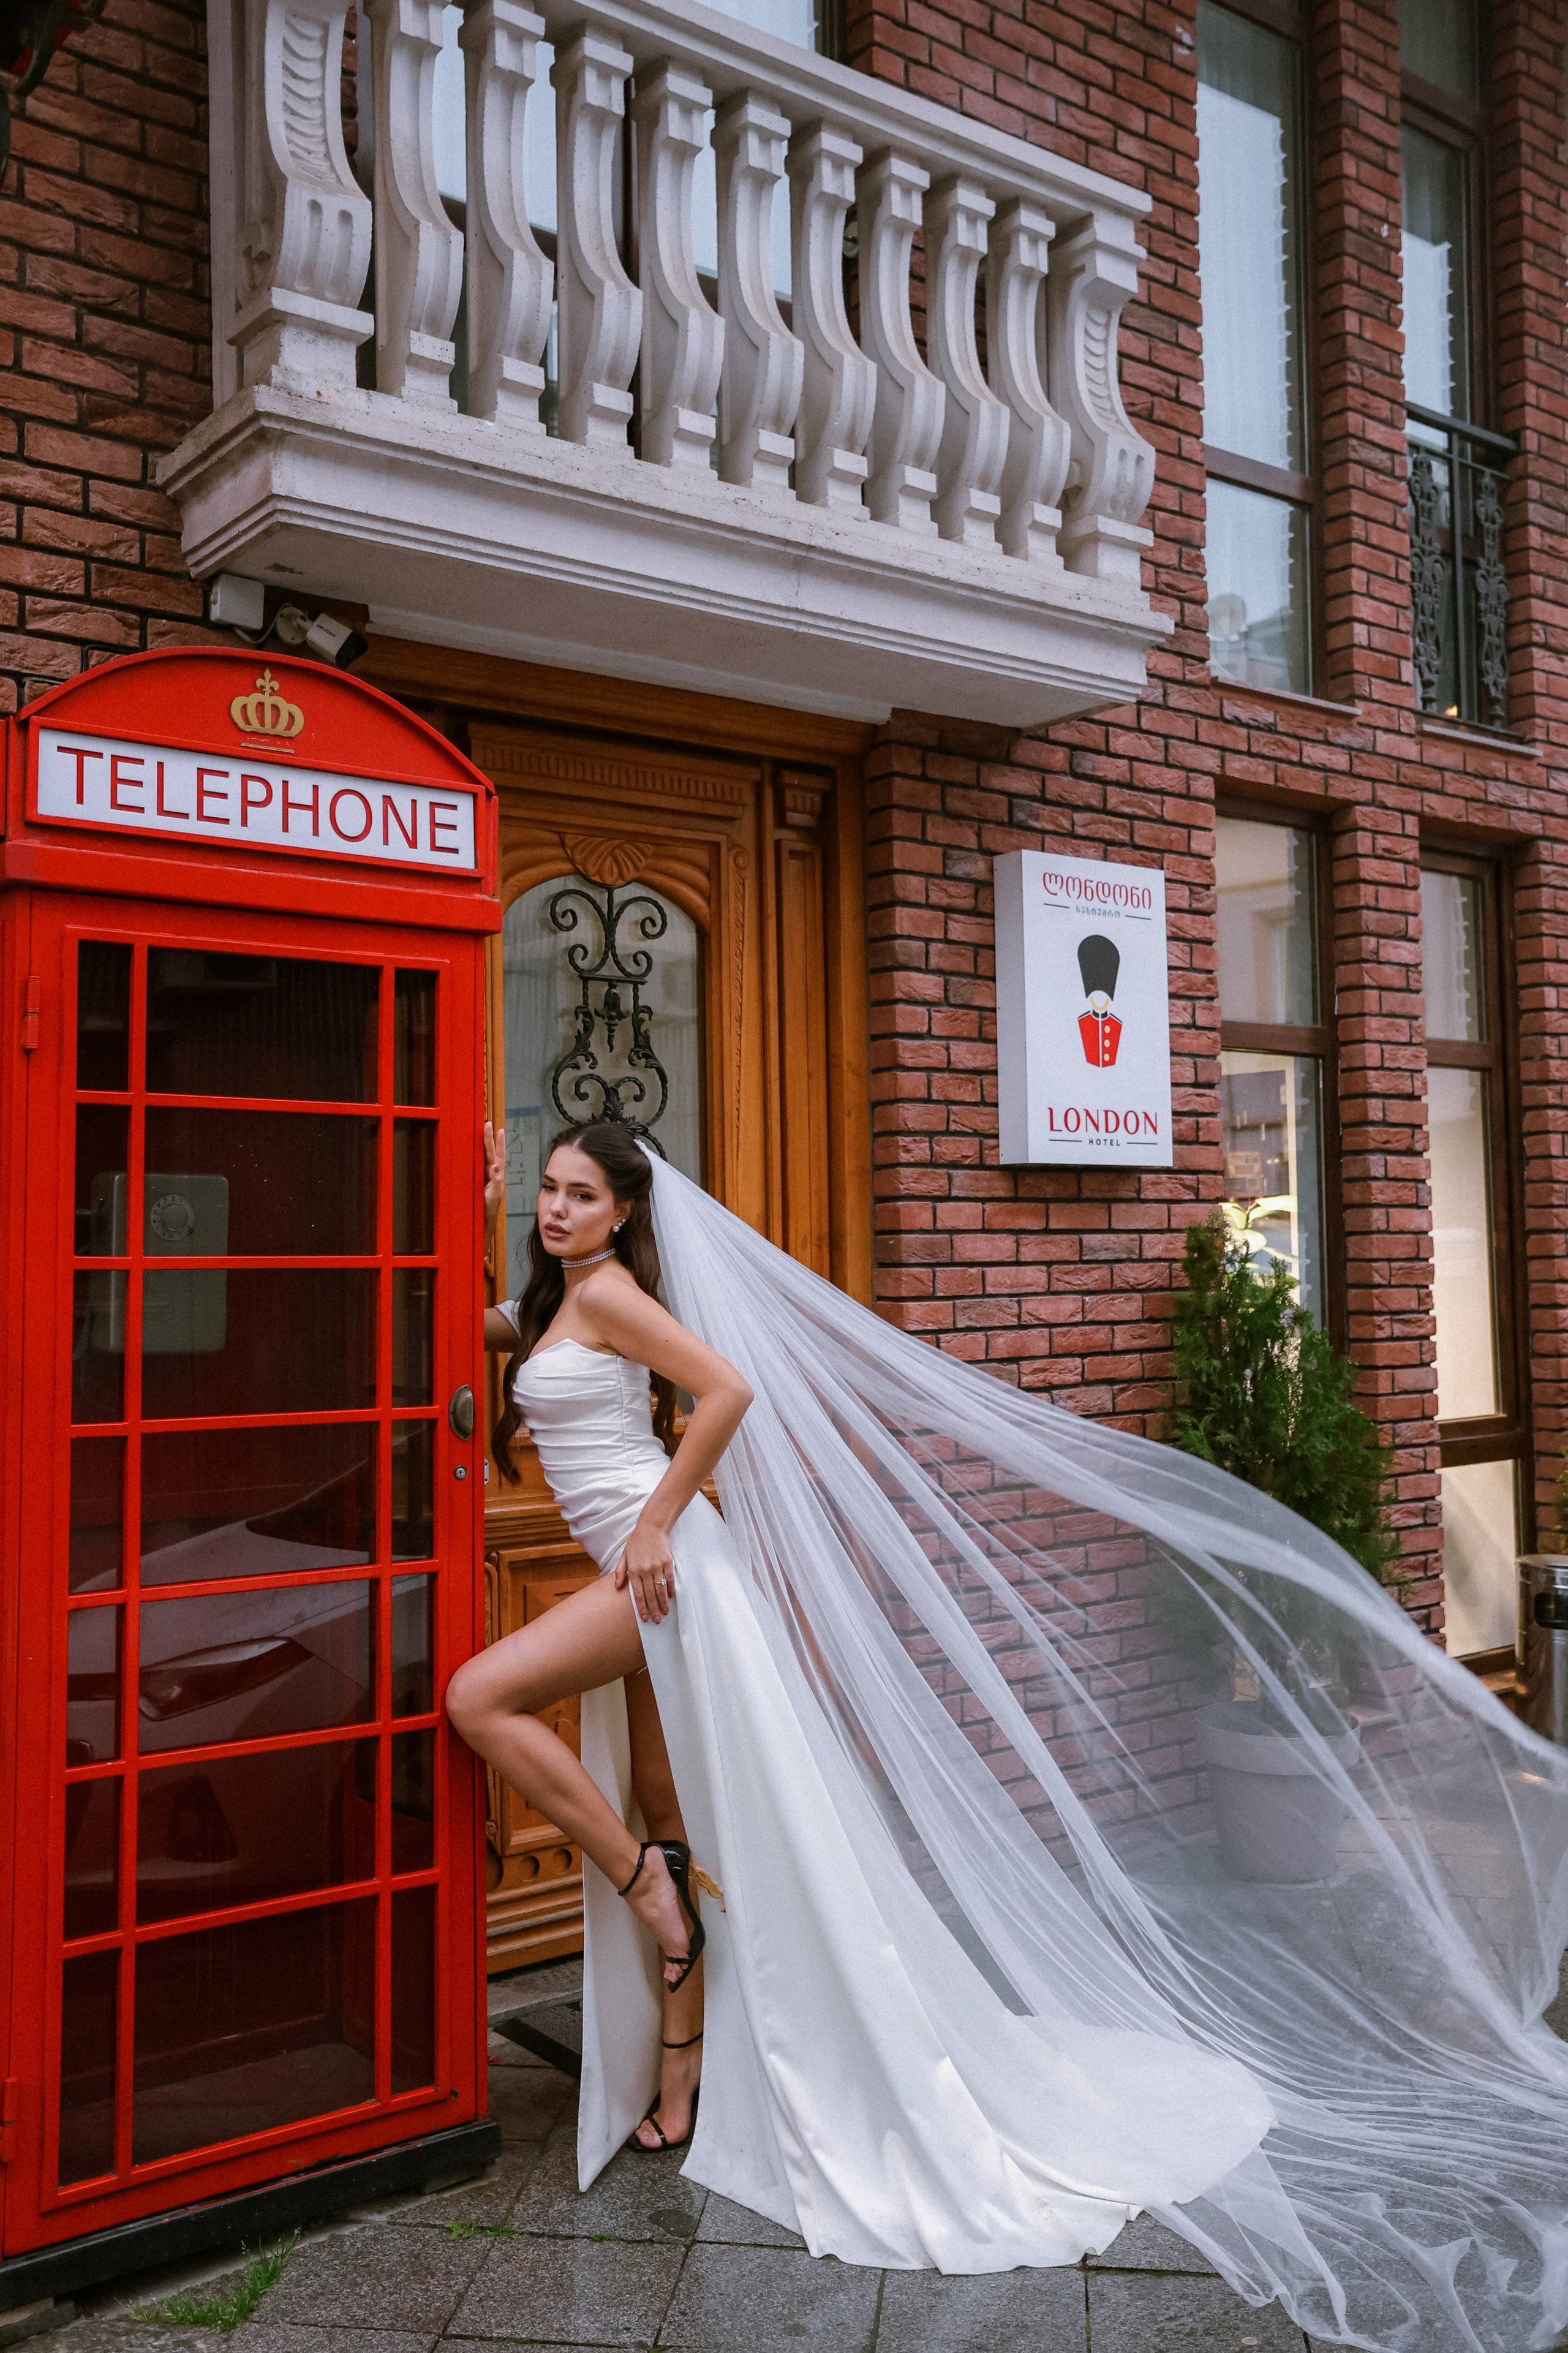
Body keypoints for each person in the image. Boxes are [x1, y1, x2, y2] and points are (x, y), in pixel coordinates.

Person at [450, 1118, 1568, 2353]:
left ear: (621, 1212)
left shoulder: (609, 1297)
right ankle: (680, 2052)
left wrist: (660, 1518)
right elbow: (459, 1340)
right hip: (642, 1578)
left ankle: (648, 1899)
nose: (556, 1210)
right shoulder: (551, 1302)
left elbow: (727, 1390)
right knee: (683, 1819)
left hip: (658, 1576)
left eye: (577, 1193)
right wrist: (472, 1199)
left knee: (476, 1697)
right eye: (544, 1191)